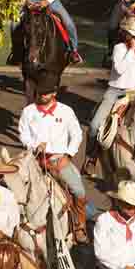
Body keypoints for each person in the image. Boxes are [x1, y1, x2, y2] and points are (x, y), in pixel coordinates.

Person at [18, 73, 90, 244]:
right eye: (39, 93)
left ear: (54, 93)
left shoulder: (66, 111)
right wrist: (34, 146)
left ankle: (79, 225)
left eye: (46, 93)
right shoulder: (28, 112)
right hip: (35, 160)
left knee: (78, 191)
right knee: (14, 188)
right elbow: (23, 134)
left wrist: (68, 155)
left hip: (59, 160)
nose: (42, 96)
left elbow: (77, 134)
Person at [83, 16, 135, 176]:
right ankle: (91, 158)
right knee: (95, 125)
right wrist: (131, 50)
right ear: (127, 35)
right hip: (116, 92)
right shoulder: (119, 49)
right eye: (134, 36)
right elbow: (119, 70)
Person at [16, 0, 82, 64]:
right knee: (14, 22)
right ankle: (16, 51)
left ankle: (73, 51)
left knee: (68, 23)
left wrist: (47, 1)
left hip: (51, 0)